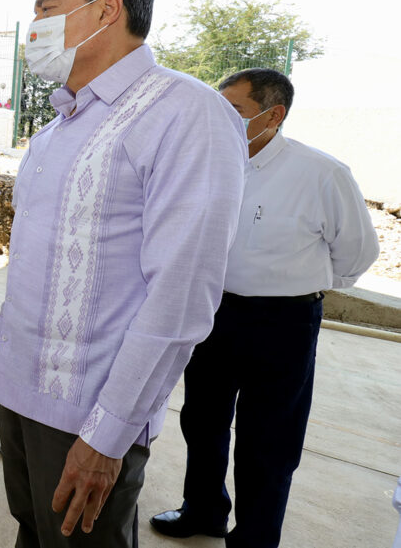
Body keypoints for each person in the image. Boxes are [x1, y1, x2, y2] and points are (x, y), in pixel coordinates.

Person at [0, 0, 246, 547]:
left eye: (46, 7)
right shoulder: (59, 127)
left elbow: (180, 297)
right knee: (32, 530)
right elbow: (36, 256)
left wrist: (109, 434)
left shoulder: (186, 115)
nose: (33, 25)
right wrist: (1, 340)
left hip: (87, 414)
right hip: (21, 390)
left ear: (106, 8)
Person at [149, 68, 379, 547]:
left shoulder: (321, 173)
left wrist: (296, 285)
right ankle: (204, 509)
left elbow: (357, 254)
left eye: (233, 111)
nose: (221, 120)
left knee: (268, 440)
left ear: (272, 116)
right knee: (202, 421)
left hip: (284, 324)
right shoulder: (209, 162)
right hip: (213, 313)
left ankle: (255, 538)